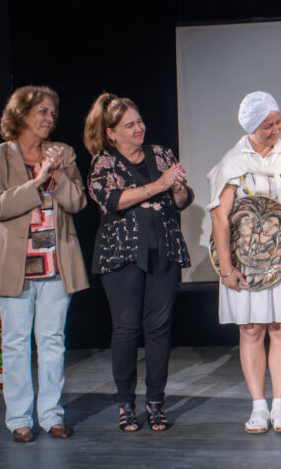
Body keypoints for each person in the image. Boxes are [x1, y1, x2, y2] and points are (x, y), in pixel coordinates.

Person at [208, 91, 281, 434]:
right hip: (246, 264)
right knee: (252, 330)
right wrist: (226, 269)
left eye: (278, 122)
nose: (276, 129)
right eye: (267, 125)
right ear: (251, 127)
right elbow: (220, 218)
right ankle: (258, 406)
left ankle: (280, 406)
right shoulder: (231, 164)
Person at [85, 93, 193, 432]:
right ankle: (125, 404)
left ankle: (156, 403)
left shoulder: (161, 154)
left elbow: (180, 200)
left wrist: (176, 188)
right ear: (111, 132)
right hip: (122, 255)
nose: (138, 129)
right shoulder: (104, 162)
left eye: (140, 122)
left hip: (164, 249)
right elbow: (112, 200)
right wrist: (158, 184)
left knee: (159, 329)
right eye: (129, 125)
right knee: (127, 329)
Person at [0, 85, 88, 442]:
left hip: (55, 262)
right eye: (42, 112)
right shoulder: (2, 155)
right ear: (21, 115)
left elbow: (78, 202)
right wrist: (36, 183)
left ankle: (51, 414)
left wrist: (58, 175)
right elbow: (1, 206)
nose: (49, 119)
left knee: (52, 340)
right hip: (15, 265)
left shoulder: (62, 152)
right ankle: (19, 418)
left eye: (52, 112)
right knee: (16, 342)